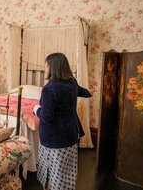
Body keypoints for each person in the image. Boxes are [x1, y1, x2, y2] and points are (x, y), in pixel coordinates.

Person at [34, 53, 92, 190]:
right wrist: (90, 92)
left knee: (53, 171)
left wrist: (36, 109)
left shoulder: (49, 89)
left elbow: (47, 117)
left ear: (52, 67)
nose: (45, 68)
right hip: (71, 135)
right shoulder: (71, 82)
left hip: (54, 139)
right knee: (66, 169)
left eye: (46, 65)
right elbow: (81, 91)